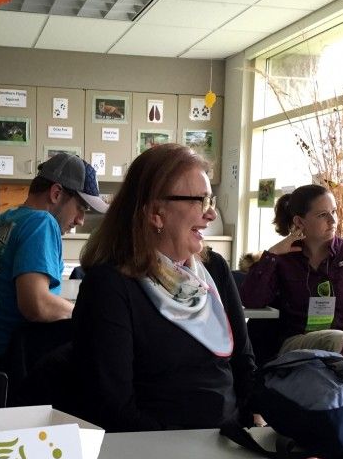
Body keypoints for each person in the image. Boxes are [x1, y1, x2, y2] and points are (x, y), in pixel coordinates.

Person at [67, 143, 256, 432]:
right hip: (155, 451)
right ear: (156, 213)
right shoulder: (110, 287)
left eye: (211, 201)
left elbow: (243, 363)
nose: (211, 215)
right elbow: (113, 408)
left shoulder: (214, 269)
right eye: (200, 201)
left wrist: (254, 420)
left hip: (230, 442)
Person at [0, 153, 107, 372]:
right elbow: (36, 305)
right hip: (18, 364)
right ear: (56, 193)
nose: (80, 220)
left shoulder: (5, 219)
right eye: (81, 208)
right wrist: (85, 314)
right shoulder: (41, 223)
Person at [240, 184, 343, 355]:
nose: (333, 221)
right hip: (297, 344)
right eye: (322, 215)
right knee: (338, 340)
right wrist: (272, 254)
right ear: (299, 221)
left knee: (342, 340)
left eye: (334, 212)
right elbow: (252, 300)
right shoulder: (284, 259)